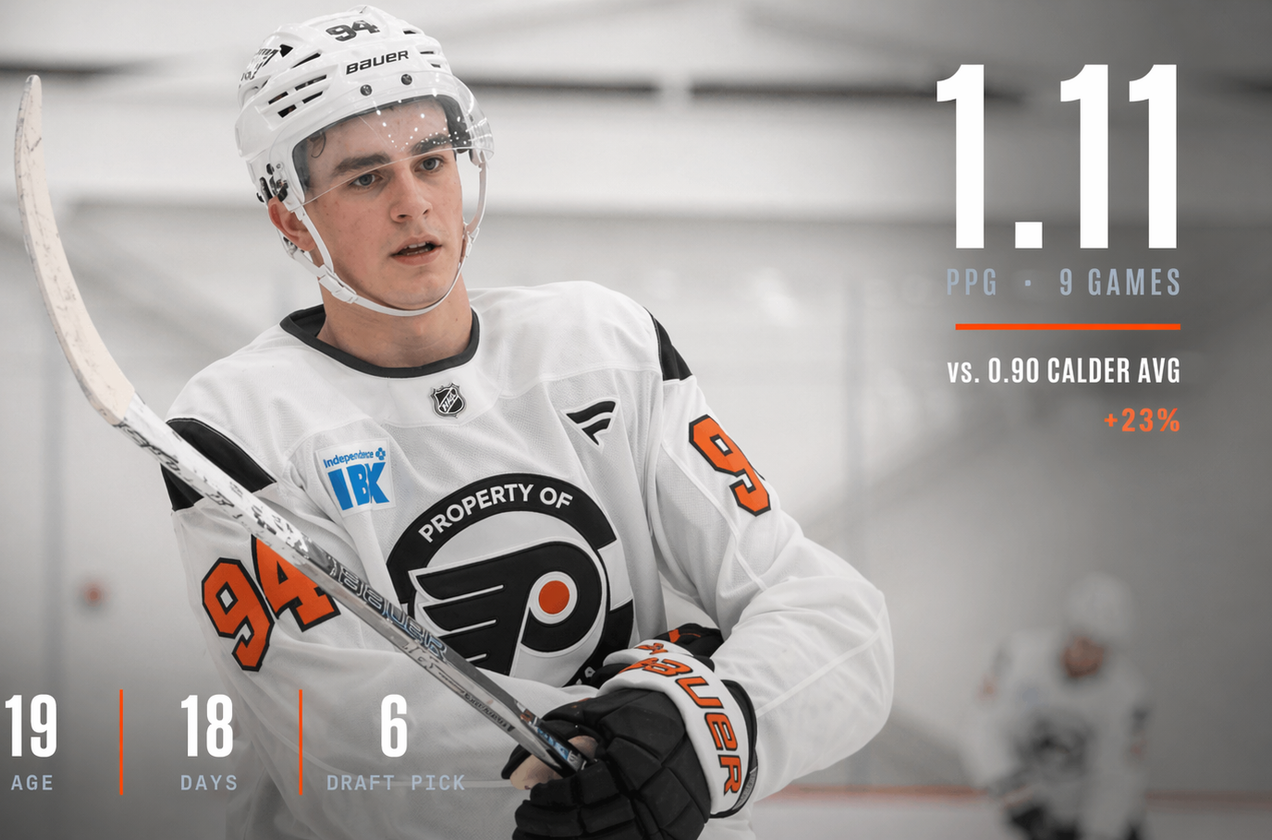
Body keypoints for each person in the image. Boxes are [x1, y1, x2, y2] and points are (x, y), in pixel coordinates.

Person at [162, 7, 893, 838]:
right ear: (292, 217)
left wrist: (697, 737)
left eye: (431, 161)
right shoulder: (238, 426)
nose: (414, 204)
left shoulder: (602, 345)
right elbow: (345, 735)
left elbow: (833, 616)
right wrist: (633, 740)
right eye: (366, 178)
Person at [962, 573, 1149, 840]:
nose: (1088, 654)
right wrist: (1017, 797)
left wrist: (1100, 831)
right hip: (1030, 808)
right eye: (1083, 641)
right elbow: (983, 728)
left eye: (1101, 646)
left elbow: (1117, 774)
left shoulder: (1128, 694)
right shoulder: (1019, 656)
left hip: (1091, 813)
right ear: (1069, 628)